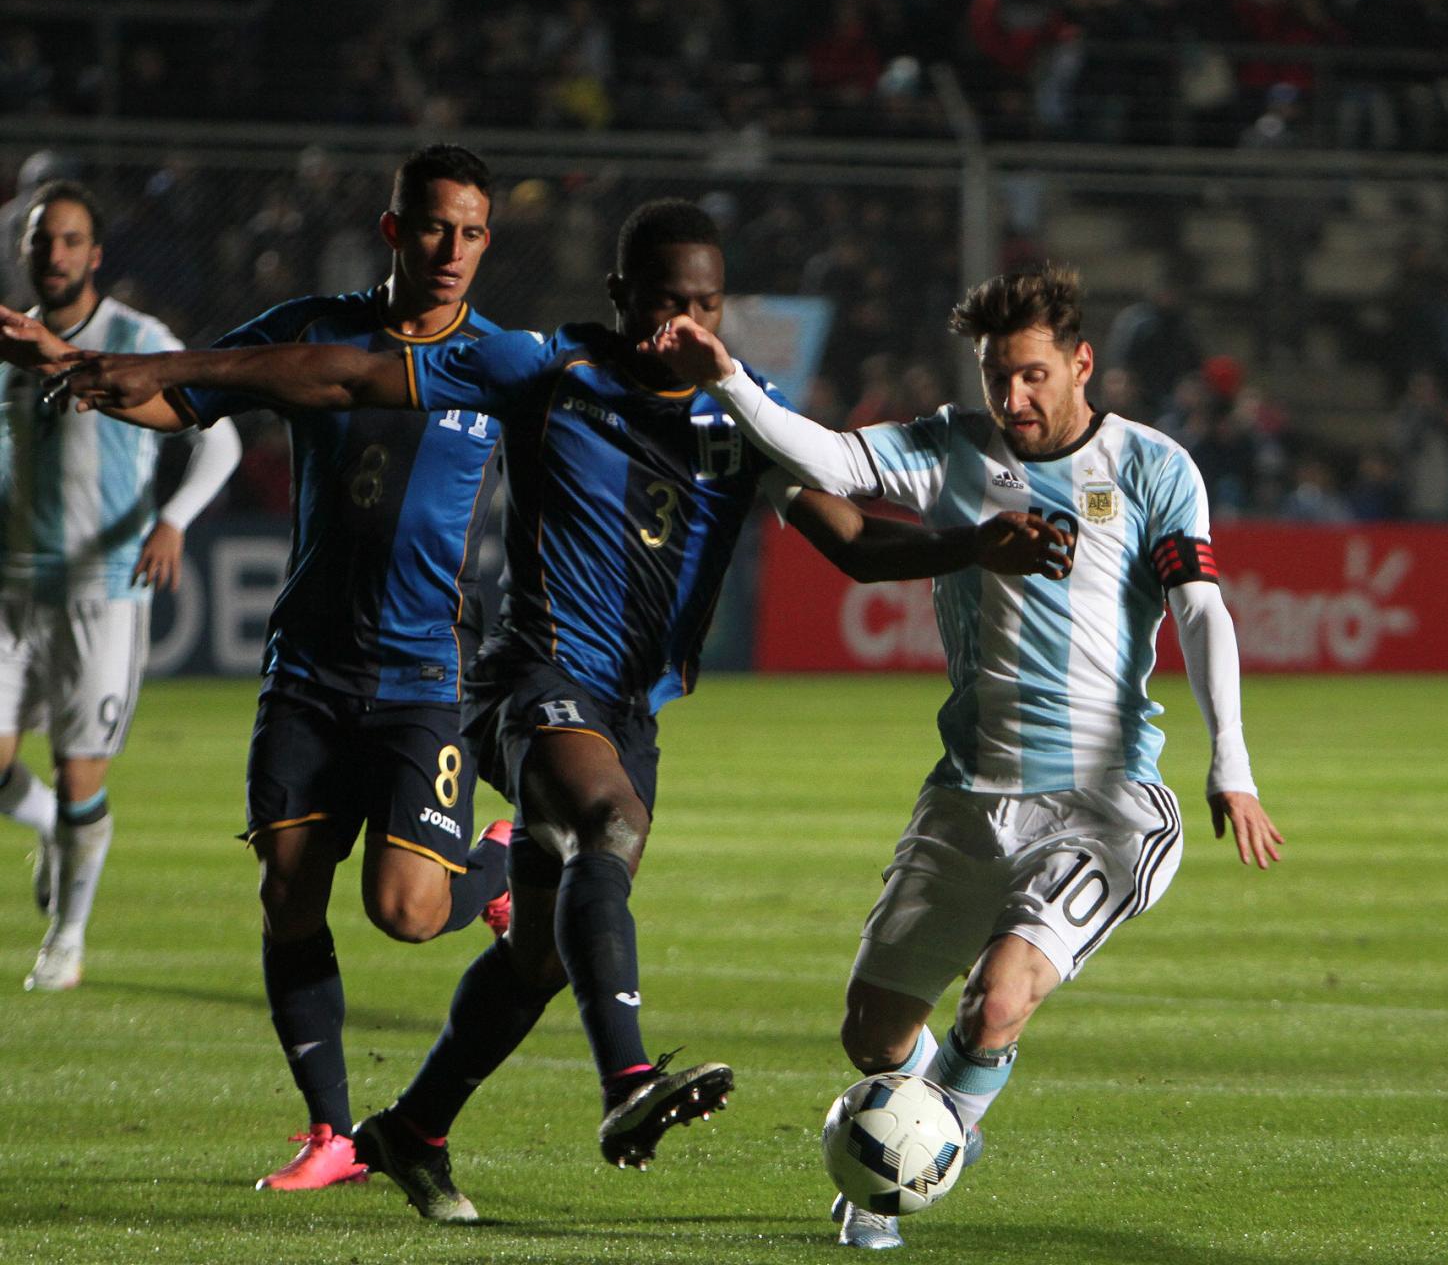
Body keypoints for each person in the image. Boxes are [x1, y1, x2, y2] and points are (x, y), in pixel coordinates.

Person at [44, 198, 1072, 1222]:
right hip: (531, 674)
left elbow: (852, 540)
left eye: (707, 304)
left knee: (537, 952)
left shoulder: (741, 404)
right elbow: (346, 372)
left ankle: (413, 1127)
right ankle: (626, 1080)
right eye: (668, 302)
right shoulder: (546, 369)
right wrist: (176, 374)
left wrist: (969, 542)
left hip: (629, 707)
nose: (688, 325)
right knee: (603, 827)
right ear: (621, 297)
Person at [644, 264, 1286, 1249]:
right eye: (996, 376)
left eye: (1030, 375)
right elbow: (821, 455)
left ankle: (889, 1177)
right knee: (871, 1034)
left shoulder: (1154, 467)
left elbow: (1199, 609)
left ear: (1079, 364)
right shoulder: (949, 445)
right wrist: (726, 376)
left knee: (997, 995)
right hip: (967, 792)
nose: (1012, 398)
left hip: (1104, 803)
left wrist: (1228, 760)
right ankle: (945, 1122)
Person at [3, 144, 516, 1194]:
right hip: (309, 671)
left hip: (424, 674)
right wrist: (68, 369)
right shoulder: (308, 326)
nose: (451, 249)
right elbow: (181, 403)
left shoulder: (500, 362)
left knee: (408, 910)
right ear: (392, 230)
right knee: (288, 892)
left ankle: (501, 859)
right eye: (432, 226)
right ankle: (332, 1130)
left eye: (470, 231)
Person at [0, 180, 241, 994]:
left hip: (101, 591)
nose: (55, 254)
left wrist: (173, 518)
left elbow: (223, 439)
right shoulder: (8, 338)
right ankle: (46, 830)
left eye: (70, 241)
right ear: (26, 251)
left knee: (79, 775)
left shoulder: (135, 338)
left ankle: (66, 940)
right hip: (10, 586)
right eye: (42, 241)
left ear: (95, 255)